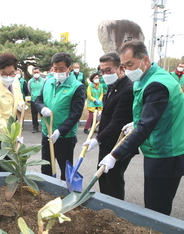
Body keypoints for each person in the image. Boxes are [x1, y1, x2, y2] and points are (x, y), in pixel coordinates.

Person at [99, 40, 184, 215]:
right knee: (154, 203)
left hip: (166, 153)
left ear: (145, 59)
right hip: (158, 148)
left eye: (130, 64)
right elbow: (148, 115)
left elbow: (146, 126)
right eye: (124, 65)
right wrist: (134, 123)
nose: (127, 69)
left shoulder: (157, 84)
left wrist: (115, 155)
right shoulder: (145, 78)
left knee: (156, 208)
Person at [83, 52, 134, 200]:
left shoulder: (127, 88)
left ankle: (115, 212)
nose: (105, 74)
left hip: (117, 143)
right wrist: (102, 115)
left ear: (120, 68)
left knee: (113, 181)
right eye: (102, 71)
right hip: (107, 142)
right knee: (103, 177)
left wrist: (97, 139)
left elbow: (118, 121)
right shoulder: (113, 86)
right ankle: (105, 206)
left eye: (109, 70)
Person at [35, 52, 85, 180]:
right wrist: (42, 108)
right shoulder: (48, 82)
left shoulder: (77, 87)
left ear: (69, 68)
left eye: (61, 69)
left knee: (66, 170)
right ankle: (47, 193)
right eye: (55, 69)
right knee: (46, 167)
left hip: (65, 137)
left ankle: (66, 195)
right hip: (47, 133)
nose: (57, 72)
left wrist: (60, 131)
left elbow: (75, 114)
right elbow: (38, 100)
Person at [28, 67, 45, 133]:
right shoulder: (30, 81)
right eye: (35, 72)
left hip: (42, 100)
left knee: (42, 114)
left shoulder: (44, 80)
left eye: (37, 72)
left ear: (40, 72)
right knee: (34, 115)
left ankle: (44, 127)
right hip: (34, 100)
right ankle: (35, 128)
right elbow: (29, 90)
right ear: (32, 73)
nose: (36, 74)